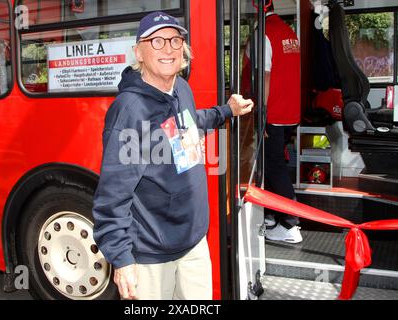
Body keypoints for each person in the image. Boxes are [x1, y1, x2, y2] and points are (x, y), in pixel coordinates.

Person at [92, 11, 254, 300]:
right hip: (152, 255)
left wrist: (227, 110)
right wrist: (122, 260)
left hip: (193, 243)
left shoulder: (180, 88)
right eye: (156, 41)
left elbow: (189, 121)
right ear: (138, 53)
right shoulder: (130, 111)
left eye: (175, 40)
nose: (168, 48)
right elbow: (112, 197)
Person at [256, 3, 303, 243]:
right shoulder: (288, 32)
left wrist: (260, 116)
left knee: (272, 166)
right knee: (273, 164)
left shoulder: (265, 32)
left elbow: (264, 76)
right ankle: (273, 216)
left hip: (273, 112)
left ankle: (289, 224)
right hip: (290, 112)